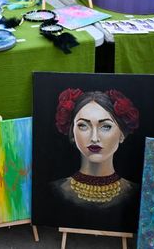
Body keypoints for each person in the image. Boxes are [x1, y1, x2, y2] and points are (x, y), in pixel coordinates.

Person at [49, 89, 140, 221]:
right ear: (72, 133)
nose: (94, 138)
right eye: (83, 126)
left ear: (121, 134)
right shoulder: (56, 191)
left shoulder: (135, 192)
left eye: (106, 126)